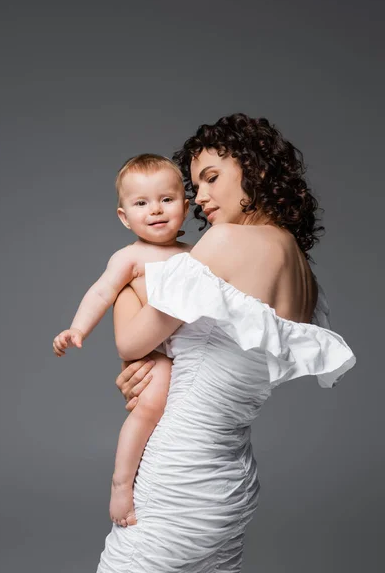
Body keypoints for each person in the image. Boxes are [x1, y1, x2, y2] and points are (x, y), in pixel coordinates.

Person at [96, 114, 356, 573]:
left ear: (254, 171)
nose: (202, 198)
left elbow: (134, 341)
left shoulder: (226, 241)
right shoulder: (302, 271)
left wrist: (122, 283)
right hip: (229, 487)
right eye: (195, 186)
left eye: (212, 178)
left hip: (178, 476)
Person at [53, 154, 192, 527]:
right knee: (152, 401)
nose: (156, 210)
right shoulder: (129, 257)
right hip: (152, 353)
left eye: (167, 199)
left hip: (190, 351)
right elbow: (101, 294)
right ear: (123, 216)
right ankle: (121, 482)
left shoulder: (196, 255)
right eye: (141, 203)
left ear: (186, 205)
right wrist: (78, 329)